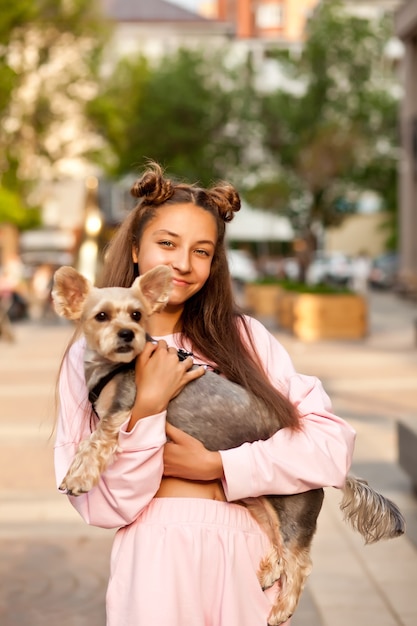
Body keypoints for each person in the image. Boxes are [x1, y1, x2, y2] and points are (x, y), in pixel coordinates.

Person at [54, 162, 356, 626]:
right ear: (136, 249)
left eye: (202, 251)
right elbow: (101, 503)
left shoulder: (245, 339)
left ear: (214, 264)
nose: (182, 263)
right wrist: (148, 410)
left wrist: (221, 467)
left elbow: (331, 448)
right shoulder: (87, 361)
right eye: (167, 243)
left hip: (248, 557)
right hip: (156, 560)